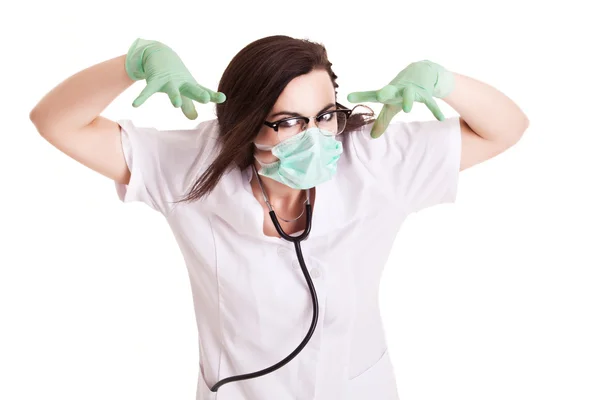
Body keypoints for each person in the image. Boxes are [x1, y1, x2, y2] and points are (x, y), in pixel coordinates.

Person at [29, 35, 529, 400]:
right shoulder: (190, 166)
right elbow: (55, 122)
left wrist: (443, 81)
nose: (315, 136)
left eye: (325, 115)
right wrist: (134, 62)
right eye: (288, 121)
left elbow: (505, 129)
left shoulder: (375, 159)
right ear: (243, 126)